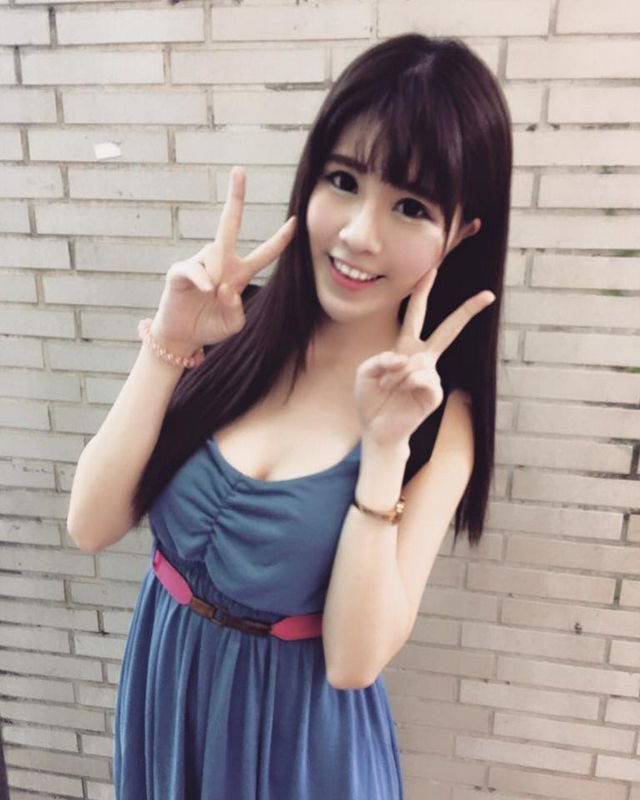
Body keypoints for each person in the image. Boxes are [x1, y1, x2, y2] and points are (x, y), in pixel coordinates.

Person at [67, 32, 512, 800]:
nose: (360, 233)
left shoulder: (442, 424)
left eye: (410, 206)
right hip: (169, 701)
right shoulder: (229, 323)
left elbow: (353, 662)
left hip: (299, 754)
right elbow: (90, 524)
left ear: (462, 232)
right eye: (343, 181)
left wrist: (384, 447)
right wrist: (168, 344)